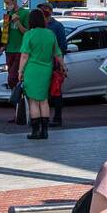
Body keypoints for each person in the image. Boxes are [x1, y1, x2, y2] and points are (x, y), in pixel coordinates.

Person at [19, 8, 64, 141]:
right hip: (46, 69)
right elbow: (58, 53)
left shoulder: (29, 34)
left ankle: (35, 131)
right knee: (44, 100)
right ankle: (45, 131)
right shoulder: (50, 33)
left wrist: (20, 71)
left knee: (33, 101)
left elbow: (25, 55)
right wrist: (63, 66)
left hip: (32, 70)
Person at [41, 2, 70, 130]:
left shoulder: (57, 26)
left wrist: (59, 62)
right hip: (42, 63)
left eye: (45, 11)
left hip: (54, 64)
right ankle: (42, 117)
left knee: (56, 91)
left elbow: (63, 46)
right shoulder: (39, 27)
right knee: (43, 91)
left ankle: (57, 118)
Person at [1, 0, 30, 103]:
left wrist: (17, 22)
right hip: (9, 50)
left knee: (13, 78)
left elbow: (26, 33)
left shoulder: (25, 13)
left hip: (20, 49)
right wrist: (3, 45)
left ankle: (18, 99)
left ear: (15, 1)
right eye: (6, 4)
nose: (7, 6)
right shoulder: (7, 15)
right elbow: (5, 32)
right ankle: (18, 105)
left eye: (8, 3)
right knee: (13, 78)